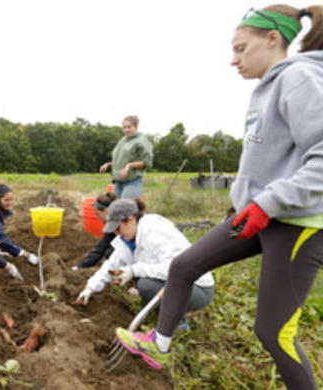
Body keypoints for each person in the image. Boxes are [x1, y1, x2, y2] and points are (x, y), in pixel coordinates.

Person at [116, 6, 323, 389]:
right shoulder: (266, 87)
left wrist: (268, 202)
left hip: (297, 222)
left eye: (242, 49)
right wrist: (247, 202)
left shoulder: (300, 78)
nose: (234, 60)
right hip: (257, 214)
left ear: (273, 39)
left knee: (273, 332)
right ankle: (159, 345)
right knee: (183, 264)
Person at [76, 199, 214, 322]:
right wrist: (90, 288)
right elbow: (111, 264)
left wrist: (134, 270)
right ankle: (167, 311)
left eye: (118, 228)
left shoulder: (155, 231)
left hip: (196, 286)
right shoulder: (128, 237)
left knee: (146, 286)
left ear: (130, 219)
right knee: (141, 280)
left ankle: (177, 321)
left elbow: (175, 268)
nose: (116, 233)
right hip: (176, 283)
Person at [0, 184, 39, 266]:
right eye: (6, 200)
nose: (9, 203)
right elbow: (0, 237)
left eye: (11, 200)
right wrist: (25, 254)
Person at [99, 116, 153, 199]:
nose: (126, 130)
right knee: (116, 208)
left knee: (126, 208)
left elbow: (147, 163)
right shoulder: (123, 140)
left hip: (132, 182)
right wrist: (108, 164)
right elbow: (121, 161)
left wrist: (129, 165)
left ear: (136, 126)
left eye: (129, 127)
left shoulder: (141, 141)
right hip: (118, 182)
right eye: (124, 127)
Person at [72, 192, 118, 270]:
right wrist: (81, 266)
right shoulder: (113, 223)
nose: (97, 218)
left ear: (106, 211)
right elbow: (101, 247)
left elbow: (101, 248)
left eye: (98, 214)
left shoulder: (119, 224)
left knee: (110, 253)